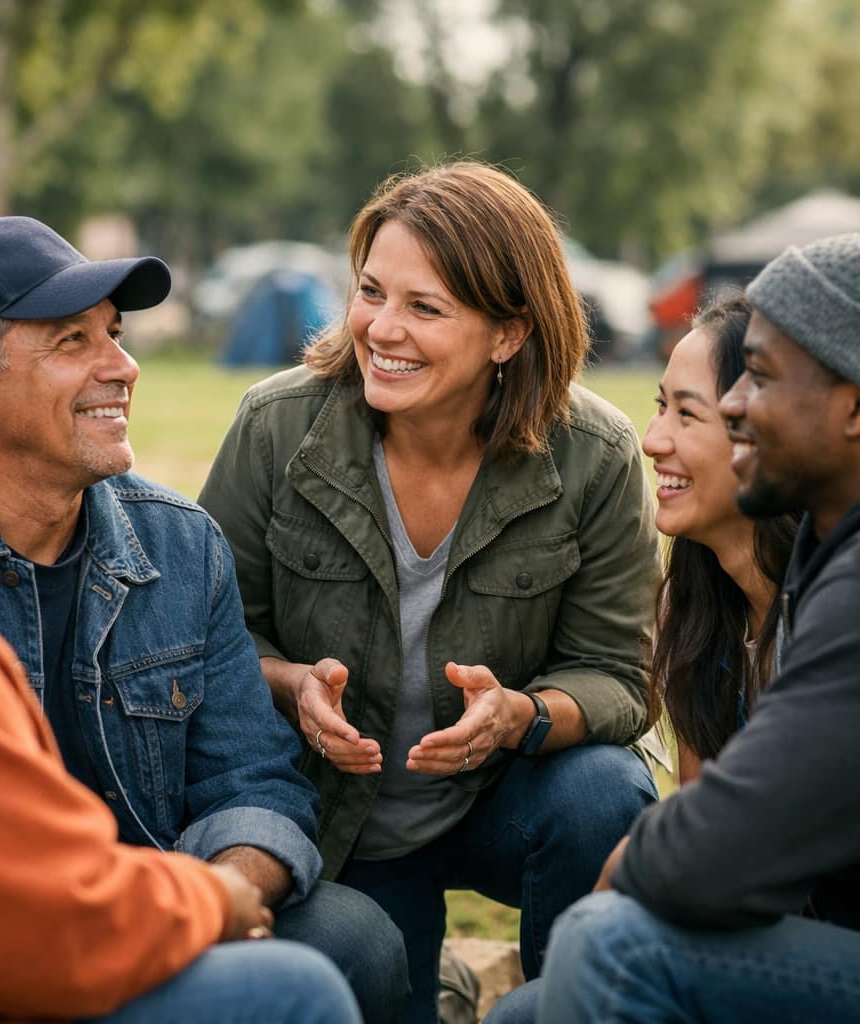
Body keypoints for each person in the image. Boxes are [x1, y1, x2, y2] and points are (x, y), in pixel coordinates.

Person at [0, 207, 362, 1023]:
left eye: (114, 333)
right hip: (49, 937)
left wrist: (231, 884)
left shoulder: (181, 544)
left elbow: (252, 779)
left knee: (348, 938)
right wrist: (202, 904)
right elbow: (26, 921)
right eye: (71, 341)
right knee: (298, 991)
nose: (124, 367)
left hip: (107, 911)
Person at [197, 161, 660, 1024]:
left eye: (426, 307)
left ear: (509, 335)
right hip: (341, 815)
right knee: (382, 978)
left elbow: (619, 676)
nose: (382, 329)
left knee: (605, 791)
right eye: (371, 291)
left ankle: (567, 1005)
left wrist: (522, 714)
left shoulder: (596, 452)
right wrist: (292, 683)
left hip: (500, 804)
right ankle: (442, 985)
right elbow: (212, 636)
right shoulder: (275, 426)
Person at [536, 232, 860, 1023]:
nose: (740, 403)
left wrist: (632, 866)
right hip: (806, 935)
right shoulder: (747, 590)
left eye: (763, 380)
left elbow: (713, 853)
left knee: (612, 947)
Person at [643, 295, 798, 783]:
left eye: (686, 414)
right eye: (661, 406)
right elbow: (698, 815)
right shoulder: (689, 607)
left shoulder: (831, 611)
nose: (652, 440)